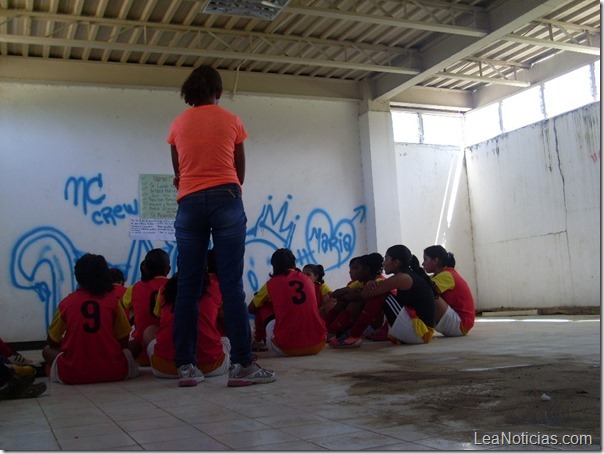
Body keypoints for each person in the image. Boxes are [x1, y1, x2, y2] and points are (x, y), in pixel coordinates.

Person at [167, 64, 275, 387]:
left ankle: (186, 367)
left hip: (188, 204)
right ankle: (242, 365)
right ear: (217, 91)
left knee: (188, 285)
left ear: (190, 92)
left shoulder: (177, 124)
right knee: (230, 284)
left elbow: (178, 174)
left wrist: (193, 188)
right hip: (226, 197)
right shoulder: (231, 120)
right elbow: (239, 170)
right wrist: (227, 189)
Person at [42, 253, 140, 384]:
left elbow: (52, 340)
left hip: (73, 374)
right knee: (137, 344)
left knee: (47, 350)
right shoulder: (113, 302)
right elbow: (123, 341)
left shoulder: (66, 303)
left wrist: (71, 342)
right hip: (114, 371)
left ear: (77, 277)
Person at [144, 250, 231, 385]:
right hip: (211, 366)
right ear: (205, 267)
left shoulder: (166, 288)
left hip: (164, 368)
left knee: (150, 331)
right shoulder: (215, 288)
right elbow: (228, 321)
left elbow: (160, 320)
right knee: (225, 336)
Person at [249, 249, 326, 357]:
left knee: (263, 306)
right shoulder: (308, 280)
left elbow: (251, 308)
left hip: (286, 348)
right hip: (318, 344)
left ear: (274, 266)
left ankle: (258, 342)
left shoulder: (271, 283)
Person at [359, 245, 437, 345]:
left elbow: (366, 295)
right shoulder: (406, 275)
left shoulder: (402, 277)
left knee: (383, 295)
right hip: (420, 331)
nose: (384, 263)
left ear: (396, 262)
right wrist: (369, 285)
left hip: (420, 333)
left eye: (386, 259)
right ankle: (361, 331)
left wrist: (368, 286)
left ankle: (355, 334)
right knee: (382, 293)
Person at [122, 249, 170, 366]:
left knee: (133, 311)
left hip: (140, 353)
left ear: (144, 268)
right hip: (167, 350)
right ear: (168, 269)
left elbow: (127, 308)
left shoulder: (134, 288)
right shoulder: (172, 286)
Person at [324, 253, 385, 342]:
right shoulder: (360, 282)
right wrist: (352, 290)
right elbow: (336, 294)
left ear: (367, 269)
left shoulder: (379, 281)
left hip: (375, 324)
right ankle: (328, 330)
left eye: (356, 268)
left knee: (355, 303)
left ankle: (333, 332)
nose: (353, 272)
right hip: (361, 320)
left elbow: (355, 296)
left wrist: (350, 294)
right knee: (342, 301)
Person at [422, 245, 475, 336]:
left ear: (435, 261)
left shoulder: (447, 275)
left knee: (427, 293)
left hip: (461, 325)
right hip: (458, 322)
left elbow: (422, 290)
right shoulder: (439, 276)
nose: (423, 264)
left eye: (425, 259)